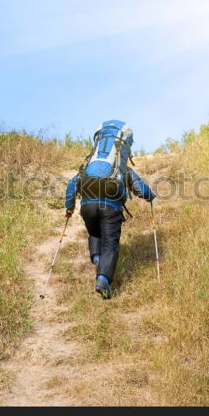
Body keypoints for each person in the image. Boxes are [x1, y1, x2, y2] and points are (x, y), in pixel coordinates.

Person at [64, 123, 155, 299]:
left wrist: (69, 208)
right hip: (111, 208)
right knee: (110, 244)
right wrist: (151, 196)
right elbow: (141, 190)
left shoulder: (89, 165)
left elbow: (71, 184)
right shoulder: (122, 168)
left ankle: (97, 259)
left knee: (95, 233)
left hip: (87, 207)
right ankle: (103, 280)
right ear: (125, 148)